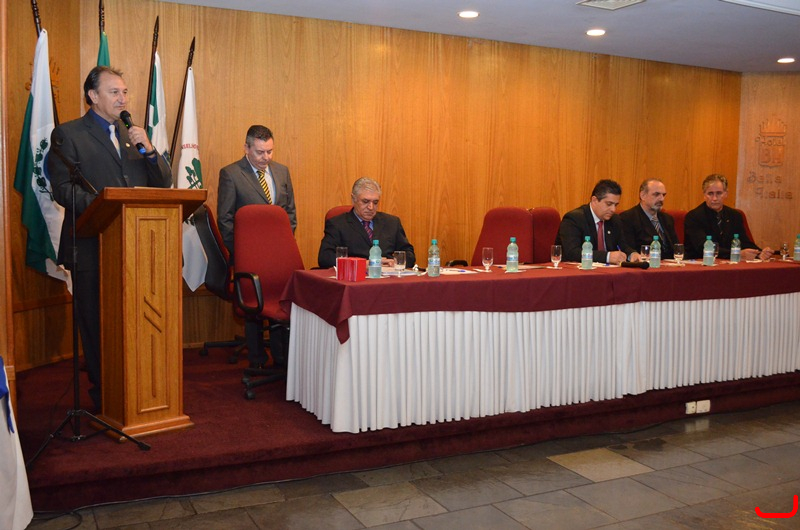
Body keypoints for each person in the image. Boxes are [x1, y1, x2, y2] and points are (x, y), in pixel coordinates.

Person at [47, 66, 173, 410]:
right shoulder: (68, 135)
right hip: (92, 246)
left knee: (137, 320)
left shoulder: (133, 135)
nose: (123, 99)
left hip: (136, 246)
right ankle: (106, 394)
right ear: (93, 96)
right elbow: (62, 190)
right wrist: (107, 205)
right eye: (114, 92)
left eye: (125, 92)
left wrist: (149, 150)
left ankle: (140, 389)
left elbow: (163, 183)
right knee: (97, 323)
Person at [217, 125, 297, 257]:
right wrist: (242, 252)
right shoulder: (231, 174)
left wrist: (284, 243)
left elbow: (290, 212)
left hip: (280, 251)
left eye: (269, 151)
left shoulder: (282, 171)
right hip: (248, 254)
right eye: (260, 152)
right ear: (246, 148)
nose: (266, 157)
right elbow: (225, 220)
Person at [318, 177, 415, 269]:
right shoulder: (337, 224)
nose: (371, 207)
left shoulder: (392, 222)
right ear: (353, 199)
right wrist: (361, 264)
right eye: (365, 201)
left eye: (375, 202)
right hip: (355, 277)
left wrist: (396, 262)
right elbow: (325, 258)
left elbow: (409, 254)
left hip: (387, 276)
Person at [684, 173, 772, 261]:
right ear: (704, 195)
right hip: (701, 263)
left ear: (726, 194)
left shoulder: (735, 215)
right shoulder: (693, 217)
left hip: (728, 263)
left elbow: (744, 242)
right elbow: (702, 247)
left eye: (719, 193)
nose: (714, 198)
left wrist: (759, 252)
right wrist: (735, 254)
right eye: (710, 194)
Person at [555, 179, 640, 265]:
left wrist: (632, 254)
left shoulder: (615, 220)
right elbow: (572, 253)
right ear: (594, 200)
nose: (613, 209)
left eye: (616, 205)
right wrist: (607, 257)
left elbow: (622, 245)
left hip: (608, 270)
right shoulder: (574, 218)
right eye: (609, 204)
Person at [619, 179, 680, 259]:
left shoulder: (667, 218)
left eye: (663, 195)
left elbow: (676, 248)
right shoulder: (628, 218)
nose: (661, 199)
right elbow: (629, 250)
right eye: (656, 194)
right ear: (643, 195)